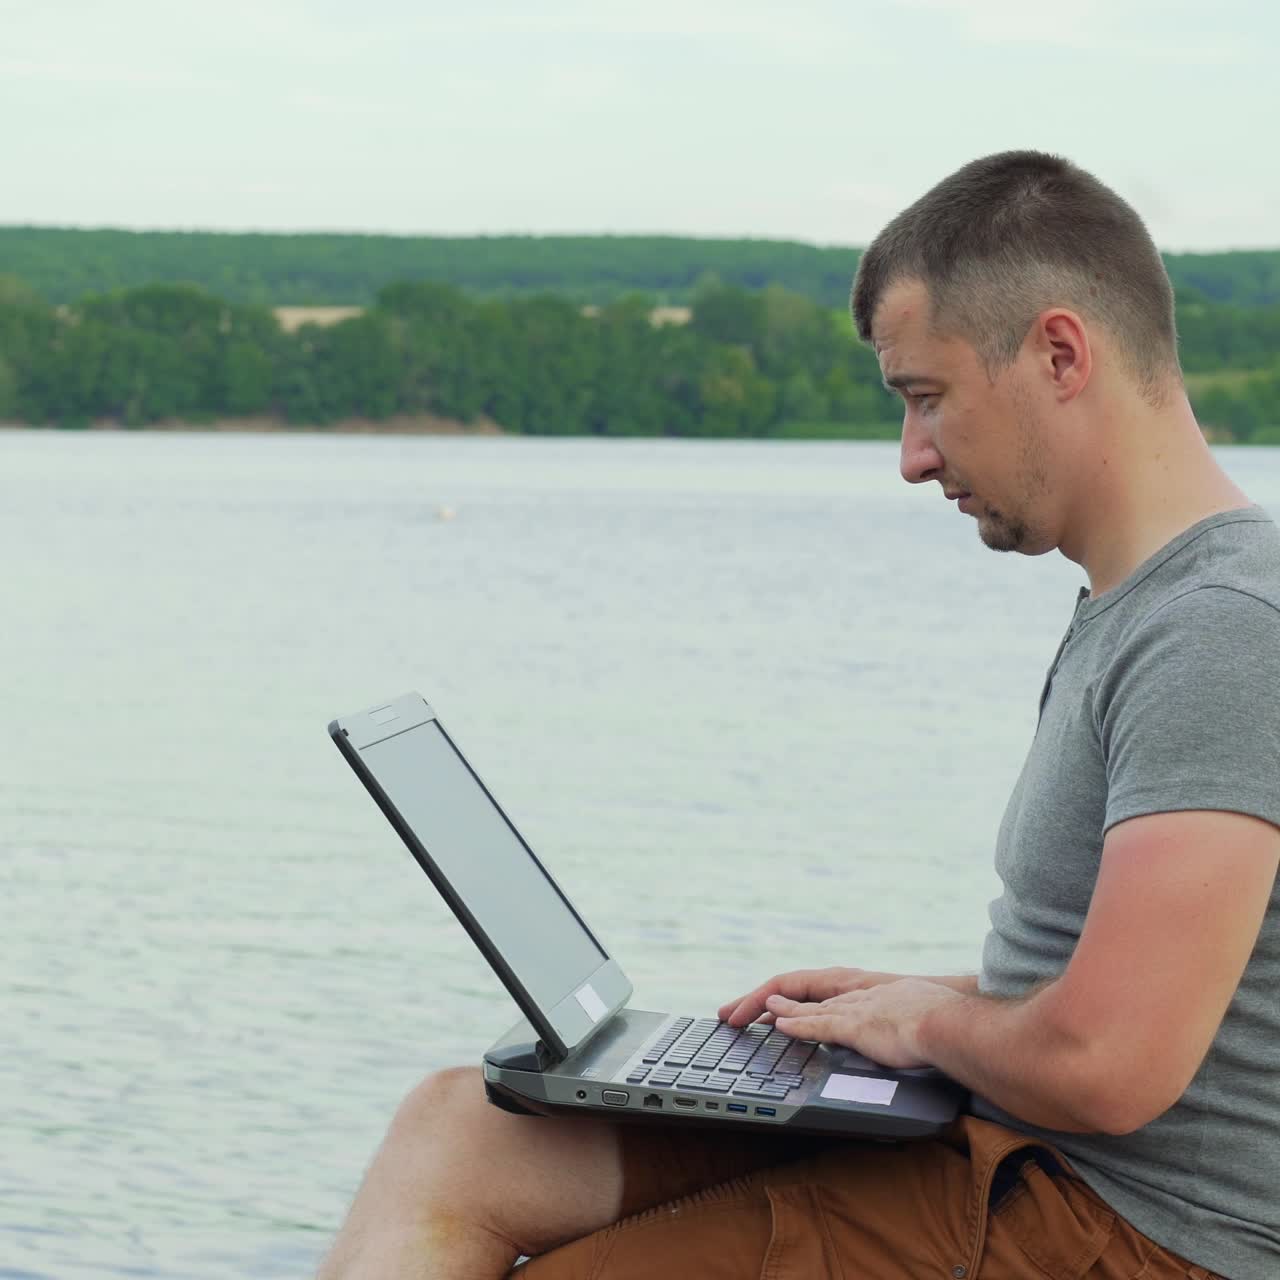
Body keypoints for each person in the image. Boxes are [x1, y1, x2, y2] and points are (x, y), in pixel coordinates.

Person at [317, 151, 1280, 1280]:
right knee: (461, 1131)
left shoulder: (1221, 629)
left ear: (1059, 353)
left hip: (1125, 1229)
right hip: (1014, 1154)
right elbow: (1129, 984)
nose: (913, 457)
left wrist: (921, 1027)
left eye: (926, 398)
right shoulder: (1145, 606)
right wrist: (911, 996)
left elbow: (1111, 1059)